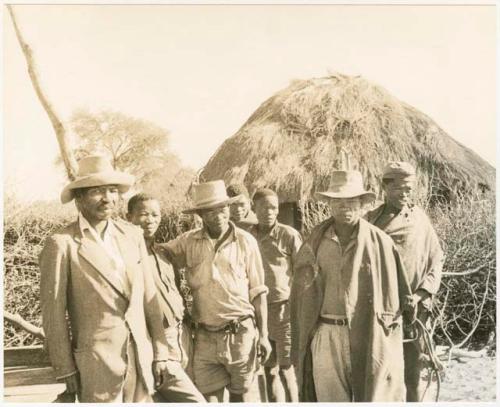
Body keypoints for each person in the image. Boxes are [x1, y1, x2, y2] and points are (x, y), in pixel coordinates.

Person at [39, 155, 169, 402]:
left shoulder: (132, 235)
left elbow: (150, 299)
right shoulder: (61, 244)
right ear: (79, 198)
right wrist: (65, 368)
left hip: (141, 358)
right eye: (97, 191)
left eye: (112, 190)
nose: (107, 198)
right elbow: (53, 313)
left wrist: (160, 351)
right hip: (95, 366)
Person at [290, 170, 415, 402]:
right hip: (326, 332)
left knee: (375, 395)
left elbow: (399, 293)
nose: (344, 207)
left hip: (369, 331)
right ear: (329, 204)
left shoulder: (381, 243)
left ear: (362, 204)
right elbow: (300, 292)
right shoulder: (314, 242)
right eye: (337, 201)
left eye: (350, 201)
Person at [163, 180, 272, 402]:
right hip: (204, 336)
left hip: (240, 332)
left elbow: (258, 292)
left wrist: (265, 336)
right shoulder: (188, 241)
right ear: (201, 215)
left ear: (228, 209)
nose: (218, 215)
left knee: (240, 397)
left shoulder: (245, 241)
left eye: (222, 209)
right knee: (206, 400)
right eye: (210, 211)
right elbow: (159, 255)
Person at [366, 161, 444, 402]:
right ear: (384, 188)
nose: (404, 194)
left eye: (409, 189)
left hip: (415, 312)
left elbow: (436, 257)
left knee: (413, 374)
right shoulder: (370, 222)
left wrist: (421, 294)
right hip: (382, 312)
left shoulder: (420, 218)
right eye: (398, 188)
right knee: (382, 372)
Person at [126, 193, 205, 403]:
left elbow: (176, 292)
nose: (150, 220)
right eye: (143, 214)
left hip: (181, 335)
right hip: (156, 341)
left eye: (155, 214)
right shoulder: (126, 256)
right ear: (129, 217)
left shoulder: (163, 253)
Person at [249, 188, 301, 402]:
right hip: (257, 312)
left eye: (273, 208)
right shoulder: (248, 236)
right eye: (263, 207)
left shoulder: (288, 235)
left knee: (286, 368)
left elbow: (302, 272)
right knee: (268, 369)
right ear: (254, 209)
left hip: (283, 311)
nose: (269, 212)